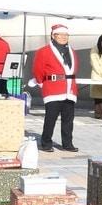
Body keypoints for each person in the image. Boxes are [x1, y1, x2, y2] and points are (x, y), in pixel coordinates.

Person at [28, 24, 79, 152]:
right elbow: (38, 69)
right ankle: (46, 143)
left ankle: (67, 143)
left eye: (66, 35)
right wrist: (41, 83)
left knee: (68, 119)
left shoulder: (71, 51)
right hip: (53, 89)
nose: (63, 37)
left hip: (69, 90)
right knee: (51, 118)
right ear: (53, 35)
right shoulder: (43, 51)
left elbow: (74, 69)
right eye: (60, 35)